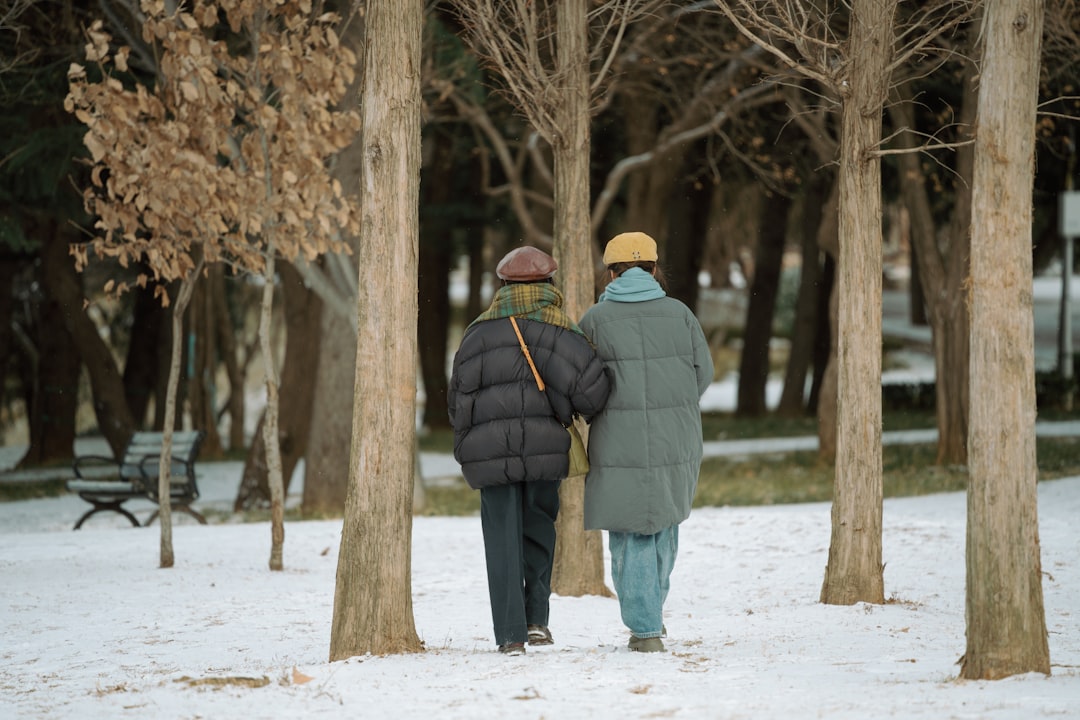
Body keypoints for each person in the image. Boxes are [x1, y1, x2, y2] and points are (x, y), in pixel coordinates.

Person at [448, 245, 612, 656]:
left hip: (488, 453)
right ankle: (537, 618)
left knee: (500, 537)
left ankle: (510, 633)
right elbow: (594, 395)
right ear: (549, 283)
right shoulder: (561, 330)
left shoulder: (477, 333)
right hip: (545, 451)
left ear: (502, 285)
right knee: (539, 529)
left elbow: (456, 401)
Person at [578, 231, 714, 653]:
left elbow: (581, 385)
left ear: (610, 273)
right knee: (664, 525)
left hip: (618, 439)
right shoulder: (680, 313)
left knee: (629, 531)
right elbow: (703, 374)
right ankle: (651, 614)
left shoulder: (594, 321)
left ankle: (644, 626)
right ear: (654, 269)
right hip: (677, 435)